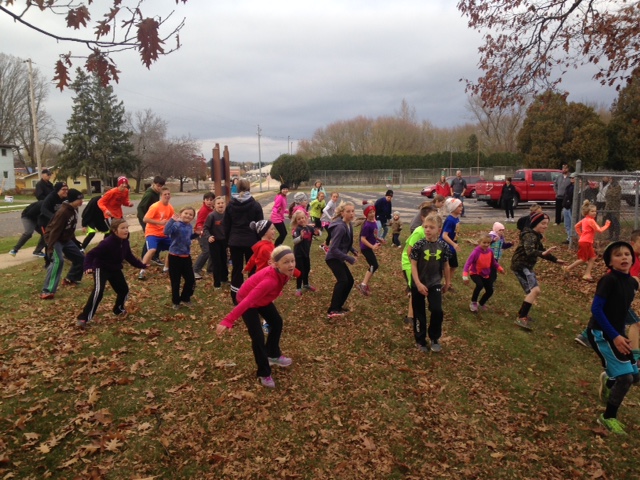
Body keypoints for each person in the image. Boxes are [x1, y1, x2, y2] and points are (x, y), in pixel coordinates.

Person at [216, 246, 298, 388]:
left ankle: (272, 354)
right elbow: (248, 301)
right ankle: (264, 373)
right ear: (276, 264)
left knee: (277, 322)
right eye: (286, 262)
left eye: (292, 261)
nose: (291, 265)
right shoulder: (269, 281)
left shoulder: (285, 271)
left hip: (263, 299)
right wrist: (228, 320)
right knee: (258, 337)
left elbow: (296, 272)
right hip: (247, 300)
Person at [585, 241, 639, 434]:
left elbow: (623, 308)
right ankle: (608, 417)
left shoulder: (632, 283)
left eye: (627, 254)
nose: (624, 257)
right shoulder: (609, 280)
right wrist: (615, 336)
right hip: (601, 333)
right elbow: (596, 309)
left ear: (632, 258)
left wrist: (636, 321)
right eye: (618, 255)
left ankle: (609, 381)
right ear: (610, 262)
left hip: (617, 333)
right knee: (625, 378)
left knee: (635, 376)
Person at [76, 219, 148, 328]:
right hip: (101, 268)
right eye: (122, 228)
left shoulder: (125, 242)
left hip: (115, 269)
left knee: (123, 290)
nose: (126, 230)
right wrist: (88, 267)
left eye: (127, 228)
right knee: (98, 292)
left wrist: (142, 265)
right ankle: (83, 318)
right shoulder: (107, 243)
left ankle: (118, 309)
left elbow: (129, 257)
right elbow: (90, 254)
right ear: (115, 231)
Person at [510, 212, 566, 330]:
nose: (545, 226)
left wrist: (556, 260)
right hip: (521, 265)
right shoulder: (530, 236)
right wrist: (542, 253)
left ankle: (522, 314)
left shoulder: (535, 235)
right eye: (543, 223)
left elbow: (542, 251)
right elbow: (529, 251)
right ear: (535, 223)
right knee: (534, 291)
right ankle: (521, 317)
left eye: (547, 224)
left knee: (533, 291)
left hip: (526, 266)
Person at [410, 214, 451, 353]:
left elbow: (446, 265)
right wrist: (418, 283)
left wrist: (447, 282)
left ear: (439, 230)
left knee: (437, 310)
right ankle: (420, 340)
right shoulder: (419, 245)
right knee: (419, 312)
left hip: (435, 283)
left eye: (431, 227)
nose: (427, 230)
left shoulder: (443, 246)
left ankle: (434, 337)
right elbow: (413, 266)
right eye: (426, 227)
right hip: (418, 283)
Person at [224, 178, 264, 304]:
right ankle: (253, 296)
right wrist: (258, 241)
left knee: (237, 269)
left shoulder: (231, 205)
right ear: (249, 188)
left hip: (235, 241)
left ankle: (236, 298)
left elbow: (226, 225)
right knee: (252, 269)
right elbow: (260, 225)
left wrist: (228, 241)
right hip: (251, 242)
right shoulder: (255, 205)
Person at [40, 189, 85, 300]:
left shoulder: (74, 209)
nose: (81, 202)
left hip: (65, 239)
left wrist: (75, 242)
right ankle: (47, 291)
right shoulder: (63, 212)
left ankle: (71, 279)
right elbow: (55, 230)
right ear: (72, 200)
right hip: (54, 239)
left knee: (81, 258)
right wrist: (50, 248)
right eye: (79, 199)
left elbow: (70, 228)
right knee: (58, 261)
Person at [402, 205, 434, 324]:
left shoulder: (430, 232)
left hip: (420, 263)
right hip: (409, 263)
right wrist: (416, 266)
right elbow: (409, 251)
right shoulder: (419, 232)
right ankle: (410, 316)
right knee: (415, 287)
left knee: (417, 286)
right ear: (422, 218)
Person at [325, 202, 358, 318]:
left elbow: (346, 242)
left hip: (339, 257)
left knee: (350, 281)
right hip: (333, 258)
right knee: (343, 281)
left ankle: (338, 306)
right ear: (342, 213)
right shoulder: (340, 227)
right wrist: (348, 258)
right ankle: (333, 309)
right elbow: (333, 248)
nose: (351, 214)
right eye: (348, 211)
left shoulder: (349, 224)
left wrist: (353, 250)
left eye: (352, 211)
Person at [564, 201, 611, 281]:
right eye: (592, 211)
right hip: (586, 242)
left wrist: (581, 235)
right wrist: (607, 225)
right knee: (583, 259)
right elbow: (599, 230)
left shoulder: (585, 219)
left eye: (595, 211)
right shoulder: (591, 221)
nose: (594, 213)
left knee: (592, 258)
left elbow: (576, 226)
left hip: (586, 241)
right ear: (587, 212)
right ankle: (567, 268)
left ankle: (587, 274)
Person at [164, 207, 198, 309]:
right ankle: (176, 301)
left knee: (191, 280)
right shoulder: (176, 225)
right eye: (185, 213)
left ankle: (185, 298)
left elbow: (188, 237)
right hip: (175, 257)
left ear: (192, 218)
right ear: (180, 214)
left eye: (190, 214)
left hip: (186, 256)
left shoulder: (189, 226)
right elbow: (166, 231)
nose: (188, 215)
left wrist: (196, 234)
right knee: (176, 281)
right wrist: (171, 220)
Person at [463, 232, 505, 312]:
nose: (486, 244)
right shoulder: (476, 252)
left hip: (485, 273)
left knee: (490, 290)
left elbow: (493, 262)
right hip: (475, 273)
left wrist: (500, 268)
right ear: (479, 242)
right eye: (484, 242)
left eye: (488, 243)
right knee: (479, 285)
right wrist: (465, 275)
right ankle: (473, 302)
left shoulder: (490, 251)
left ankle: (481, 303)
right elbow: (468, 263)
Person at [139, 187, 174, 280]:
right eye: (165, 194)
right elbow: (145, 219)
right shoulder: (155, 206)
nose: (167, 196)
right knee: (152, 250)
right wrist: (159, 222)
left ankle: (166, 269)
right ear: (161, 196)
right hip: (152, 233)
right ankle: (142, 271)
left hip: (164, 234)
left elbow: (172, 220)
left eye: (168, 194)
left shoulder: (170, 207)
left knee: (174, 247)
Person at [137, 176, 166, 263]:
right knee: (150, 237)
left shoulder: (156, 193)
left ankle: (154, 256)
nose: (159, 188)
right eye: (158, 186)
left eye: (161, 186)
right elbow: (140, 208)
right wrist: (145, 221)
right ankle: (144, 258)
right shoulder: (149, 194)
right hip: (145, 218)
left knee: (157, 236)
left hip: (152, 218)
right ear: (153, 184)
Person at [203, 196, 229, 289]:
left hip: (224, 241)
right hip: (215, 241)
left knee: (224, 260)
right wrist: (209, 236)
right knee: (216, 262)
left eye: (222, 203)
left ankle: (224, 278)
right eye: (218, 203)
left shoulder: (227, 215)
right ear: (214, 205)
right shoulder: (212, 216)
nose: (220, 205)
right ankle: (217, 283)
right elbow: (205, 228)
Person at [291, 211, 318, 296]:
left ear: (305, 218)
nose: (301, 220)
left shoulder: (309, 228)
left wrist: (318, 232)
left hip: (306, 253)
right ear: (296, 221)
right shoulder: (297, 230)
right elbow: (294, 241)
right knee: (300, 271)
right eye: (299, 219)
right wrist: (301, 237)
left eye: (302, 218)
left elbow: (316, 233)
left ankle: (306, 284)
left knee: (307, 268)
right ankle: (298, 288)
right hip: (299, 254)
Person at [357, 204, 381, 296]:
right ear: (366, 214)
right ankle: (363, 285)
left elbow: (373, 235)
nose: (372, 214)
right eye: (370, 212)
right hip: (365, 248)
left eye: (373, 212)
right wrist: (372, 246)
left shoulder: (373, 222)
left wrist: (378, 239)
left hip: (369, 247)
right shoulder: (367, 225)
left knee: (374, 265)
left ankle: (364, 284)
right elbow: (363, 239)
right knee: (374, 265)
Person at [193, 192, 216, 280]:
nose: (209, 202)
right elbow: (199, 222)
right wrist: (201, 231)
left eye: (211, 200)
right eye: (207, 200)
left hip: (209, 233)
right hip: (202, 234)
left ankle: (210, 269)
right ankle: (195, 270)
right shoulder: (204, 210)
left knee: (211, 251)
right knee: (206, 251)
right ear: (204, 200)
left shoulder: (212, 209)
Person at [440, 197, 463, 283]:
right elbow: (444, 235)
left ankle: (448, 283)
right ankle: (444, 282)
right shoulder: (450, 220)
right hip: (446, 246)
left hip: (452, 245)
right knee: (446, 266)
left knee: (453, 266)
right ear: (453, 208)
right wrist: (454, 244)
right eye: (459, 206)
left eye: (461, 206)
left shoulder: (456, 218)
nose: (461, 208)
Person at [561, 173, 577, 244]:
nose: (572, 179)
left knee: (572, 224)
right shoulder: (569, 186)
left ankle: (572, 239)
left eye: (573, 178)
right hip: (566, 207)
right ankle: (569, 238)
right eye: (571, 178)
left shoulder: (577, 187)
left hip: (571, 208)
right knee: (567, 224)